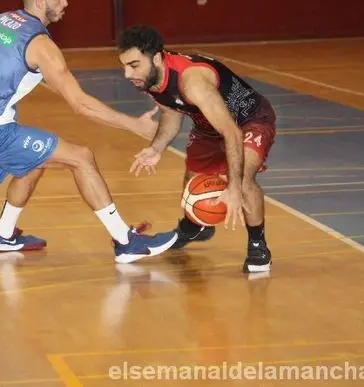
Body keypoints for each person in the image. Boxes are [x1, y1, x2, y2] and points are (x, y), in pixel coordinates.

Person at [0, 0, 179, 263]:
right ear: (40, 2)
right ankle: (126, 242)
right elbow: (80, 105)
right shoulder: (41, 46)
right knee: (81, 157)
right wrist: (134, 125)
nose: (66, 2)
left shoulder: (2, 20)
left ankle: (3, 235)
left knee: (33, 162)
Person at [116, 25, 275, 273]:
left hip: (249, 120)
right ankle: (196, 227)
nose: (127, 74)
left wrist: (233, 188)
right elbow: (171, 112)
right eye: (124, 66)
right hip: (207, 125)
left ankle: (258, 245)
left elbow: (232, 133)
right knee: (192, 179)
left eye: (134, 65)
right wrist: (156, 148)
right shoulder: (149, 78)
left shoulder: (193, 80)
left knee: (242, 180)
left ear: (156, 58)